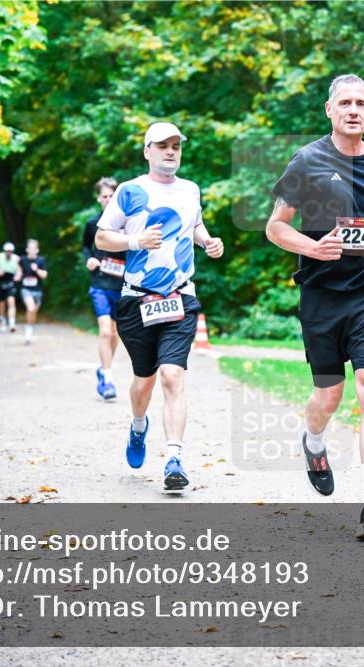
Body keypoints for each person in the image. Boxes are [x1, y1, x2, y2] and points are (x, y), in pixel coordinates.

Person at [265, 74, 364, 541]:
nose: (354, 110)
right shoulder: (308, 161)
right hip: (321, 296)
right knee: (328, 395)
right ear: (329, 110)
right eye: (345, 103)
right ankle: (314, 442)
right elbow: (275, 227)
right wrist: (313, 250)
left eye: (362, 103)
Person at [95, 122, 224, 491]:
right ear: (147, 151)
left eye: (176, 146)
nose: (170, 151)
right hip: (137, 299)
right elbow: (104, 237)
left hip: (179, 296)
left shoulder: (190, 190)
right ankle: (138, 428)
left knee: (172, 375)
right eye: (162, 146)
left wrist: (207, 241)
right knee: (143, 381)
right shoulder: (130, 190)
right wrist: (136, 241)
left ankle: (173, 459)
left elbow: (195, 225)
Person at [82, 177, 122, 401]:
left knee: (115, 333)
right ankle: (107, 379)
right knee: (105, 331)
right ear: (99, 198)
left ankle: (104, 368)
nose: (108, 199)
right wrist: (89, 260)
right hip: (99, 284)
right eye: (104, 196)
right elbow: (85, 247)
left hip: (121, 285)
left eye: (111, 195)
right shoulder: (92, 224)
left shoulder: (126, 224)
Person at [18, 239, 48, 345]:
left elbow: (44, 275)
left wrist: (36, 270)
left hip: (37, 291)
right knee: (30, 308)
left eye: (33, 248)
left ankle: (30, 327)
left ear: (37, 250)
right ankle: (28, 330)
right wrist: (18, 275)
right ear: (27, 249)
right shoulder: (22, 260)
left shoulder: (41, 260)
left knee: (33, 311)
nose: (31, 250)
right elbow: (18, 269)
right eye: (30, 248)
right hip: (25, 289)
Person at [0, 242, 21, 333]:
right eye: (7, 251)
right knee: (2, 303)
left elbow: (20, 270)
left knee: (11, 301)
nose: (8, 253)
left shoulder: (17, 258)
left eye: (10, 251)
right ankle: (2, 321)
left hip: (11, 281)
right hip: (1, 281)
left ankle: (11, 323)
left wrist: (18, 275)